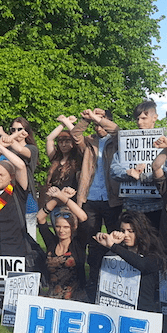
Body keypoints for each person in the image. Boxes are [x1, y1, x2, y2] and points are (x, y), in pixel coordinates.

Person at [71, 108, 121, 296]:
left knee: (115, 239)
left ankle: (113, 280)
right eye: (96, 124)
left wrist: (97, 118)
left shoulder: (116, 142)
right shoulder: (90, 142)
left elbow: (118, 130)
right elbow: (75, 134)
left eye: (102, 122)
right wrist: (86, 120)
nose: (99, 127)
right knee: (91, 241)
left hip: (112, 199)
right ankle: (91, 281)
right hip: (90, 197)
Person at [94, 211, 165, 313]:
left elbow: (143, 264)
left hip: (143, 311)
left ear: (140, 231)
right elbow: (96, 265)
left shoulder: (153, 252)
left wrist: (114, 247)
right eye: (123, 231)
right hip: (116, 309)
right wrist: (107, 245)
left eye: (131, 231)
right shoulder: (118, 250)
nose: (126, 235)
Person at [110, 100, 165, 227]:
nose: (139, 122)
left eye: (144, 118)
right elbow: (114, 169)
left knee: (154, 243)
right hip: (132, 205)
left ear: (154, 118)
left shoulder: (163, 142)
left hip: (157, 205)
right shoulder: (126, 142)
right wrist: (128, 172)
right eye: (138, 118)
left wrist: (149, 175)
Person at [36, 187, 88, 301]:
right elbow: (40, 217)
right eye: (58, 226)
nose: (61, 230)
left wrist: (64, 198)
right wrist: (56, 198)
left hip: (75, 298)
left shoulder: (78, 244)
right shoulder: (52, 242)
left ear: (73, 228)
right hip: (53, 296)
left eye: (66, 227)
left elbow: (83, 217)